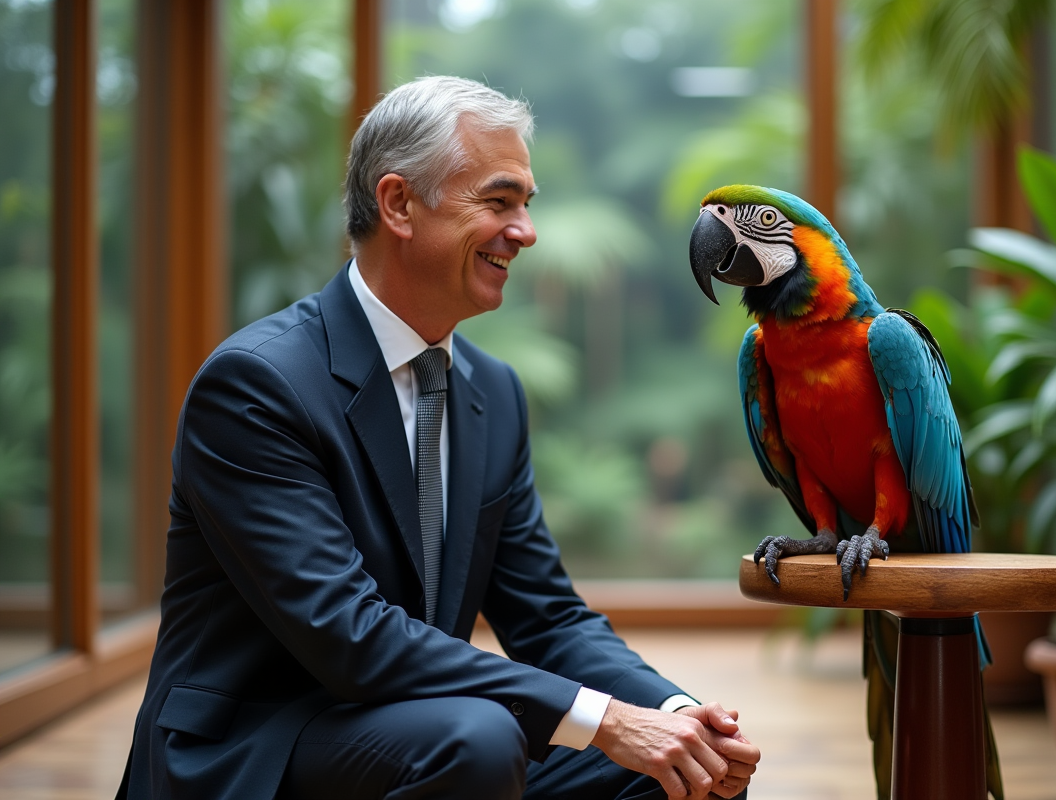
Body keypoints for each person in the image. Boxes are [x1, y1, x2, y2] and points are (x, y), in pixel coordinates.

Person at [116, 75, 760, 800]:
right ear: (398, 204)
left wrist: (672, 713)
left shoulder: (494, 394)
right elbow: (348, 634)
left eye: (526, 204)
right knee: (478, 739)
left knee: (687, 771)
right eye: (499, 200)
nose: (527, 230)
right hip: (255, 752)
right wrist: (604, 718)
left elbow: (546, 616)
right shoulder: (256, 385)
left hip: (416, 731)